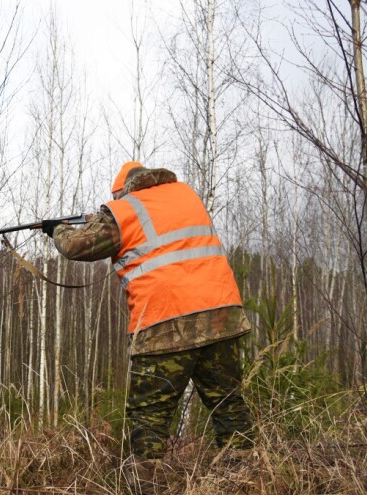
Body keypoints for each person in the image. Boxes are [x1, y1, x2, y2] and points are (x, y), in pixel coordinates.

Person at [48, 161, 254, 478]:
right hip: (222, 314)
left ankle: (148, 483)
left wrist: (57, 229)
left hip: (166, 322)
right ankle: (245, 477)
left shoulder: (127, 208)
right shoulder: (186, 194)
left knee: (149, 416)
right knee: (227, 403)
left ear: (122, 190)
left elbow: (76, 246)